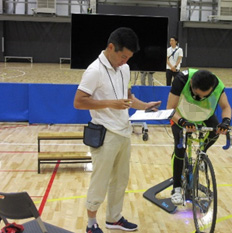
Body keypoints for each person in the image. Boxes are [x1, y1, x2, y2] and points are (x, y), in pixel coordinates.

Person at [74, 27, 161, 233]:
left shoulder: (124, 69)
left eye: (128, 58)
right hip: (105, 134)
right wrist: (110, 104)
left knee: (120, 180)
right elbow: (79, 102)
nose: (125, 61)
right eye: (123, 56)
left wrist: (145, 105)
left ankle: (114, 218)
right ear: (111, 47)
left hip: (124, 132)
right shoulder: (94, 70)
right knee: (100, 180)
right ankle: (91, 223)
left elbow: (128, 98)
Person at [166, 68, 232, 205]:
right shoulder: (181, 79)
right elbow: (170, 109)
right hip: (181, 114)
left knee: (215, 131)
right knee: (180, 148)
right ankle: (176, 188)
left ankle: (201, 154)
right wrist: (183, 122)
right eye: (197, 94)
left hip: (204, 113)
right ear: (191, 83)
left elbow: (226, 107)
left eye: (205, 96)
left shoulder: (217, 85)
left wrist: (226, 122)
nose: (200, 98)